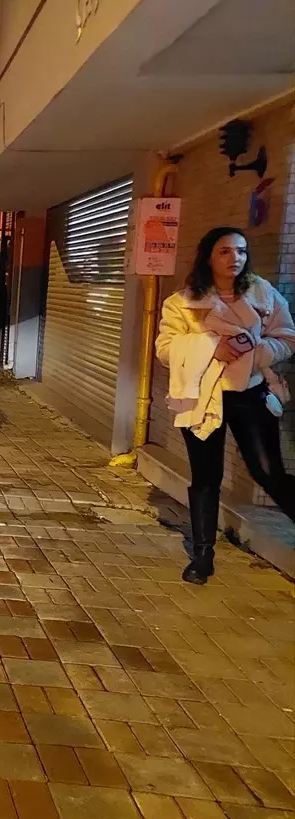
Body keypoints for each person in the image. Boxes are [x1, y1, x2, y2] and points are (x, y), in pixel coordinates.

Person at [155, 226, 295, 585]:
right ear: (208, 256)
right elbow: (166, 348)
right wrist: (210, 348)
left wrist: (259, 351)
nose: (235, 258)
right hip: (203, 396)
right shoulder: (182, 302)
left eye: (242, 251)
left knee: (268, 471)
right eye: (225, 251)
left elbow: (287, 337)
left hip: (251, 394)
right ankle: (203, 556)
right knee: (206, 476)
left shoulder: (263, 293)